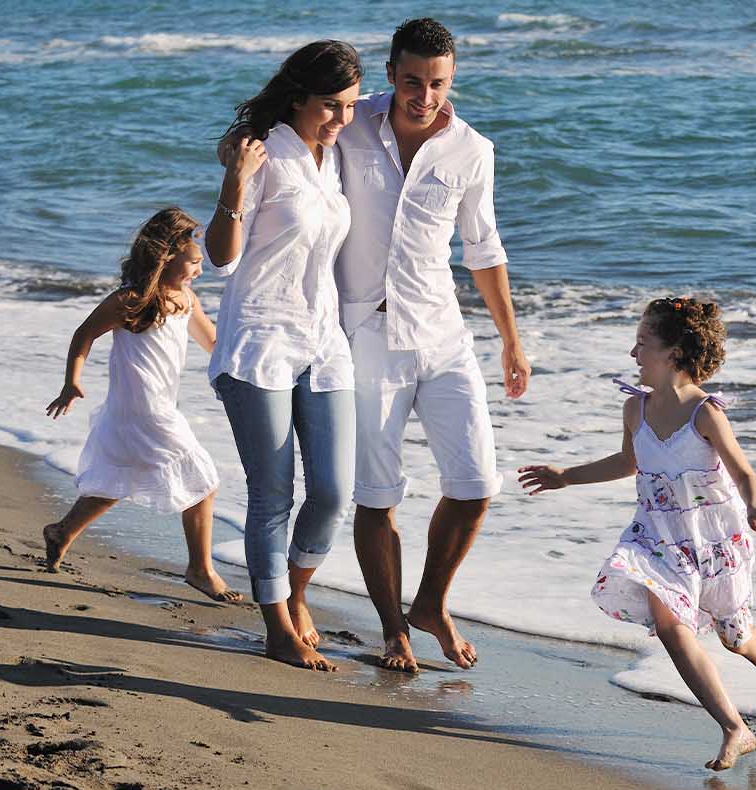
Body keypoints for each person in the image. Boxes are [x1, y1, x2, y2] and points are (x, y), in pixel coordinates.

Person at [222, 19, 530, 671]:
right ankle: (392, 630)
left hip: (442, 332)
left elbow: (485, 249)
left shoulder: (472, 150)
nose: (424, 95)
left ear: (454, 79)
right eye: (413, 80)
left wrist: (511, 339)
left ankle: (431, 604)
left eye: (438, 83)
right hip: (360, 334)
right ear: (391, 73)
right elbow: (292, 117)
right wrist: (237, 156)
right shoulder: (350, 121)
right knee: (373, 494)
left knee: (476, 483)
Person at [517, 297, 756, 771]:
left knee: (735, 637)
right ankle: (733, 728)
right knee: (669, 627)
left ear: (674, 353)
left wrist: (755, 504)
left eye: (642, 343)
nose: (633, 353)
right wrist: (566, 476)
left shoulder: (705, 413)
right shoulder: (635, 408)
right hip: (656, 534)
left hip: (713, 538)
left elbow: (743, 471)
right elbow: (629, 462)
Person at [204, 40, 364, 672]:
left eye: (348, 106)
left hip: (324, 344)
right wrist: (234, 179)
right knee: (273, 494)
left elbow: (395, 103)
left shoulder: (332, 157)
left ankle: (297, 595)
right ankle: (275, 624)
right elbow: (222, 258)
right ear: (298, 97)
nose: (341, 118)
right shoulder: (262, 154)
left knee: (331, 492)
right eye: (330, 105)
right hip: (259, 343)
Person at [42, 208, 239, 605]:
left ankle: (61, 531)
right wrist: (71, 382)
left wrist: (243, 365)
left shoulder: (185, 299)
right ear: (166, 256)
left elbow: (214, 343)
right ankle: (200, 569)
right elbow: (84, 333)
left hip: (156, 407)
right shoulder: (129, 300)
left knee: (120, 481)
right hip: (143, 410)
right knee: (203, 481)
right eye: (194, 262)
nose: (199, 270)